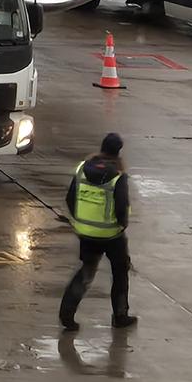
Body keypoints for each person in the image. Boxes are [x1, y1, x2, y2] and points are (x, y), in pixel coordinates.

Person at [59, 131, 136, 330]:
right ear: (118, 151)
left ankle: (66, 314)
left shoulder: (82, 169)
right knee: (120, 272)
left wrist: (81, 221)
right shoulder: (118, 175)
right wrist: (122, 224)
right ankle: (120, 316)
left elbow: (70, 198)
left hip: (86, 233)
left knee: (86, 272)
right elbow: (121, 207)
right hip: (111, 235)